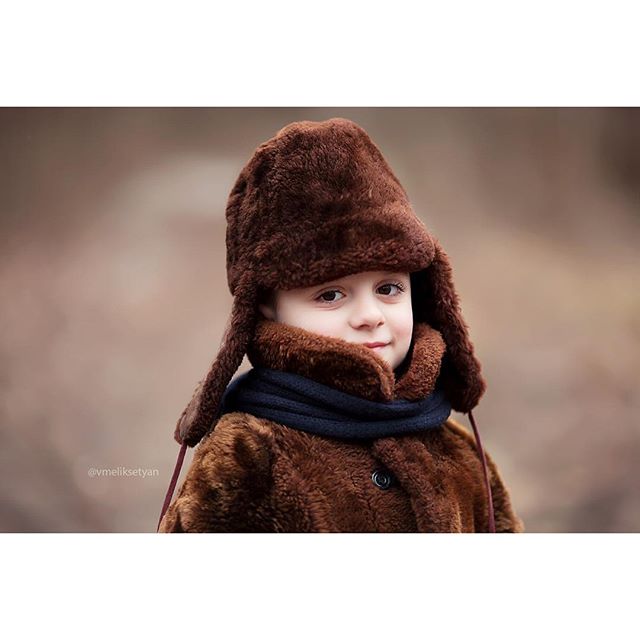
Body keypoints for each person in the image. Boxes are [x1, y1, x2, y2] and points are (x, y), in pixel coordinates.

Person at [157, 117, 524, 533]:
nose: (370, 315)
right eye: (330, 295)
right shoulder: (248, 458)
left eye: (388, 288)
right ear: (264, 306)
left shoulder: (457, 452)